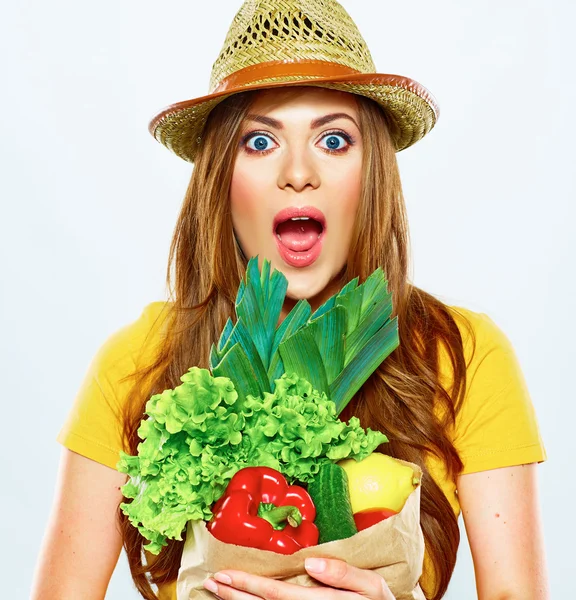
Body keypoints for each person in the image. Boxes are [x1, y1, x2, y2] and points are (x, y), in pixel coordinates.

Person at [31, 1, 549, 599]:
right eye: (258, 141)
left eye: (333, 139)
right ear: (220, 178)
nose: (298, 172)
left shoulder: (463, 356)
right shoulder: (134, 365)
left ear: (372, 172)